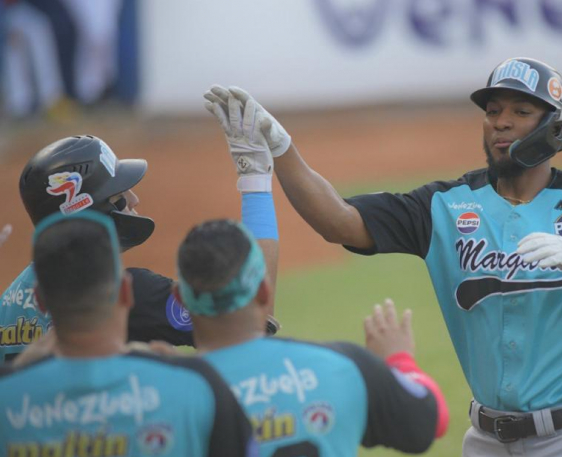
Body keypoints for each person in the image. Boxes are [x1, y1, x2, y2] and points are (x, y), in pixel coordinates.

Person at [204, 57, 562, 457]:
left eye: (519, 112)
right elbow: (337, 221)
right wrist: (282, 148)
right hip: (485, 441)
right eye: (493, 112)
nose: (501, 124)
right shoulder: (445, 205)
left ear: (554, 126)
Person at [189, 97, 447, 455]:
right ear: (264, 292)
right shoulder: (343, 366)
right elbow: (433, 418)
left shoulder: (166, 393)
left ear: (181, 300)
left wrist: (254, 179)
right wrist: (398, 360)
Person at [0, 211, 256, 456]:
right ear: (126, 291)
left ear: (40, 302)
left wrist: (21, 367)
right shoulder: (197, 385)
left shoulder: (7, 396)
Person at [1, 135, 194, 362]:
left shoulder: (8, 303)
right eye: (119, 196)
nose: (134, 200)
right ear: (87, 210)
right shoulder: (128, 294)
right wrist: (248, 185)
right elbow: (233, 317)